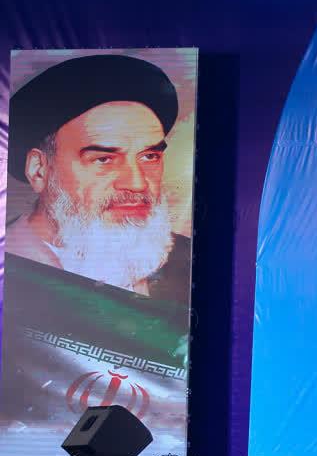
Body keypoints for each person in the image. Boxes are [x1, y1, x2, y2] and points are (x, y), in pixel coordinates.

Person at [5, 53, 189, 299]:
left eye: (149, 156)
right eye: (104, 159)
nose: (137, 183)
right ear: (39, 170)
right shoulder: (10, 267)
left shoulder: (187, 262)